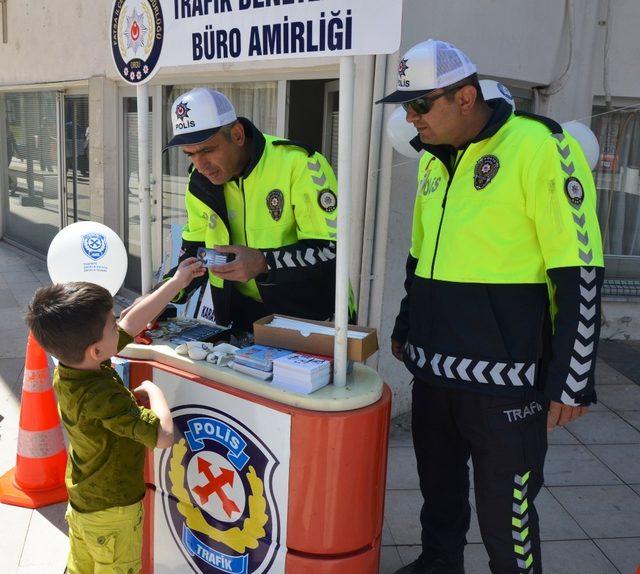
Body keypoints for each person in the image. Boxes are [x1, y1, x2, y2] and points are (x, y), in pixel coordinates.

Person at [377, 39, 604, 574]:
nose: (410, 119)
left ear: (465, 97)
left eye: (419, 105)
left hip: (507, 381)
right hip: (435, 371)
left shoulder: (538, 145)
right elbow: (420, 256)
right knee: (440, 491)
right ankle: (440, 564)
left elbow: (580, 268)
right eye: (404, 107)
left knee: (508, 514)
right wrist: (408, 325)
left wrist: (572, 378)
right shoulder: (434, 161)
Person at [24, 258, 206, 573]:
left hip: (83, 504)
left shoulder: (70, 370)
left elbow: (132, 323)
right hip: (114, 512)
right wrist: (153, 391)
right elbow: (163, 437)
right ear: (96, 350)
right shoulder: (104, 397)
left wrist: (177, 281)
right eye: (111, 323)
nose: (118, 323)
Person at [163, 87, 354, 331]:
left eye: (208, 150)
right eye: (190, 154)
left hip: (311, 315)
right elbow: (196, 253)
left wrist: (264, 262)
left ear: (238, 135)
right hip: (240, 315)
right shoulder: (199, 182)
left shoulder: (300, 163)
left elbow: (331, 251)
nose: (200, 165)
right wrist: (162, 295)